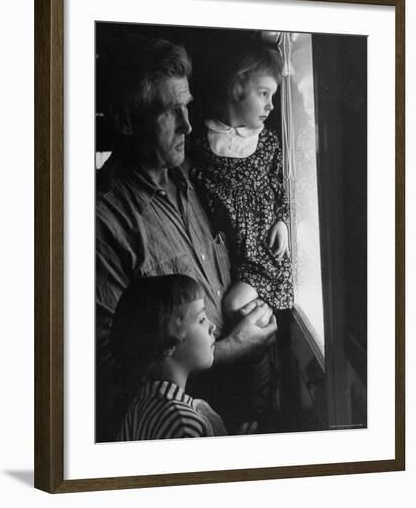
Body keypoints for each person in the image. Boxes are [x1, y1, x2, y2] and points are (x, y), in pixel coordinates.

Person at [96, 34, 277, 441]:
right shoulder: (101, 221)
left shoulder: (196, 176)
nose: (188, 125)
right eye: (169, 112)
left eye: (187, 107)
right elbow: (110, 370)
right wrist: (232, 348)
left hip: (243, 412)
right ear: (126, 122)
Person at [187, 39, 294, 423]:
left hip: (261, 251)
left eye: (273, 96)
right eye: (263, 93)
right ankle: (249, 409)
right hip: (225, 253)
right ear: (236, 88)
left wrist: (282, 219)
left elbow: (284, 185)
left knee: (236, 307)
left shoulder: (265, 143)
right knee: (222, 309)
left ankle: (261, 404)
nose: (269, 105)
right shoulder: (199, 141)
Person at [110, 274, 227, 440]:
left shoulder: (138, 410)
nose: (212, 327)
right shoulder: (184, 424)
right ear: (169, 342)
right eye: (201, 319)